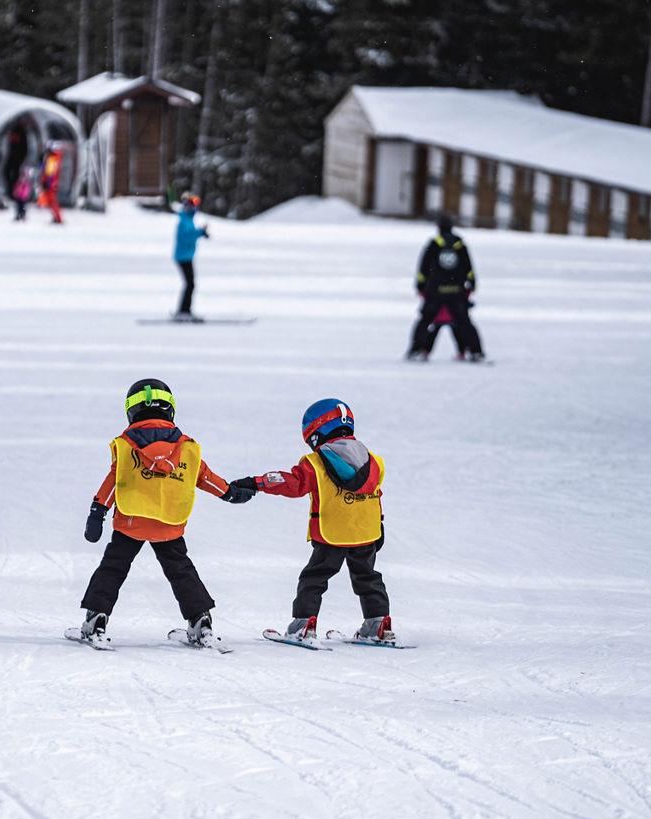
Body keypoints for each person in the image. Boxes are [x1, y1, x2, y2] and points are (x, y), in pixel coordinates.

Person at [78, 378, 254, 647]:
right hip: (169, 524)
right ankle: (201, 622)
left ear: (131, 410)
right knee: (181, 570)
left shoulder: (126, 445)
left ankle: (96, 620)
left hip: (132, 522)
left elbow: (114, 481)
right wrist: (229, 492)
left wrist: (98, 510)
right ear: (170, 409)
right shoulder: (186, 447)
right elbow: (205, 477)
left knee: (113, 568)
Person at [230, 399, 395, 643]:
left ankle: (303, 625)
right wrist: (379, 524)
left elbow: (292, 483)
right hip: (365, 534)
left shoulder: (316, 463)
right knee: (368, 578)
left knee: (314, 579)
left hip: (331, 534)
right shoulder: (373, 461)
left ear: (316, 432)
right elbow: (375, 495)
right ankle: (377, 623)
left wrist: (257, 482)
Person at [407, 214, 485, 361]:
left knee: (425, 321)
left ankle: (417, 350)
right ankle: (475, 351)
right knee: (464, 323)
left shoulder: (433, 245)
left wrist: (420, 286)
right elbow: (468, 268)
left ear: (438, 227)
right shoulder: (460, 245)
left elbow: (423, 268)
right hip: (456, 291)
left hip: (435, 292)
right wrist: (472, 283)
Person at [173, 192, 210, 320]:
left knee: (190, 284)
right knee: (190, 284)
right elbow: (186, 237)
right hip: (183, 257)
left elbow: (191, 234)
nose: (193, 207)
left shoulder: (188, 219)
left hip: (187, 256)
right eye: (191, 204)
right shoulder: (184, 220)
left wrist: (202, 233)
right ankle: (184, 311)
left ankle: (184, 310)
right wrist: (200, 232)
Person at [37, 143, 64, 224]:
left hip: (50, 184)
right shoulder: (52, 158)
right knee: (50, 201)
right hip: (51, 183)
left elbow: (50, 173)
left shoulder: (52, 158)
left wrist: (47, 183)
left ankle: (58, 218)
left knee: (52, 201)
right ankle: (56, 217)